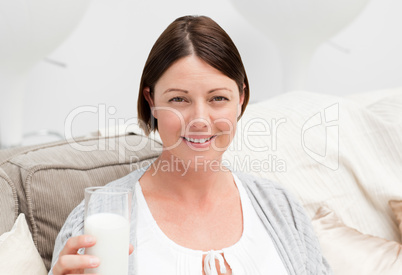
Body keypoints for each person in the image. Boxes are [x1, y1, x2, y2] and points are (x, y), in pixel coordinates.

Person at [49, 15, 332, 275]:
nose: (199, 120)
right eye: (178, 100)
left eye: (218, 98)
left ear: (241, 98)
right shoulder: (98, 218)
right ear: (151, 101)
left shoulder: (281, 207)